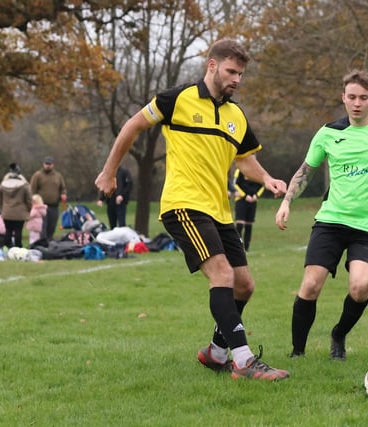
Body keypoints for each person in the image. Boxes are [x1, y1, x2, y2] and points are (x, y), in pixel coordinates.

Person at [95, 38, 289, 381]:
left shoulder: (236, 115)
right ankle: (244, 362)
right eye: (231, 71)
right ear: (211, 66)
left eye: (241, 74)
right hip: (183, 205)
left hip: (220, 211)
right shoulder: (177, 99)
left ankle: (216, 353)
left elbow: (245, 160)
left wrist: (268, 178)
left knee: (244, 285)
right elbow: (133, 126)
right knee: (223, 276)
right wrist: (109, 171)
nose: (236, 80)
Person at [275, 70, 368, 361]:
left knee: (359, 286)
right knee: (310, 284)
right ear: (343, 97)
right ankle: (298, 352)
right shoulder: (328, 132)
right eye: (352, 97)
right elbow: (305, 171)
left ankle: (339, 334)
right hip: (330, 222)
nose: (357, 103)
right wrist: (286, 202)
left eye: (363, 98)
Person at [30, 156, 67, 240]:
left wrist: (63, 194)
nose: (48, 166)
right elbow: (32, 190)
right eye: (46, 164)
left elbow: (63, 188)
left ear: (53, 165)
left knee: (52, 226)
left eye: (49, 164)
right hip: (41, 206)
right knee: (43, 227)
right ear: (43, 164)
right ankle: (42, 242)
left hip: (54, 206)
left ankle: (50, 243)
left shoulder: (58, 176)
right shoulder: (37, 175)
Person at [0, 163, 32, 248]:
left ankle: (7, 247)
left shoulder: (3, 184)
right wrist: (28, 209)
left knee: (8, 230)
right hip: (20, 212)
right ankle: (18, 248)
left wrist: (3, 208)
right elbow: (29, 199)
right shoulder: (24, 185)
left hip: (7, 212)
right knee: (18, 231)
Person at [233, 168, 265, 251]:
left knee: (249, 225)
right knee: (240, 224)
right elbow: (235, 184)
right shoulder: (239, 171)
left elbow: (263, 185)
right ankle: (238, 247)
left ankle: (246, 248)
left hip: (252, 201)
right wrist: (244, 195)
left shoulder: (257, 171)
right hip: (241, 200)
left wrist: (256, 195)